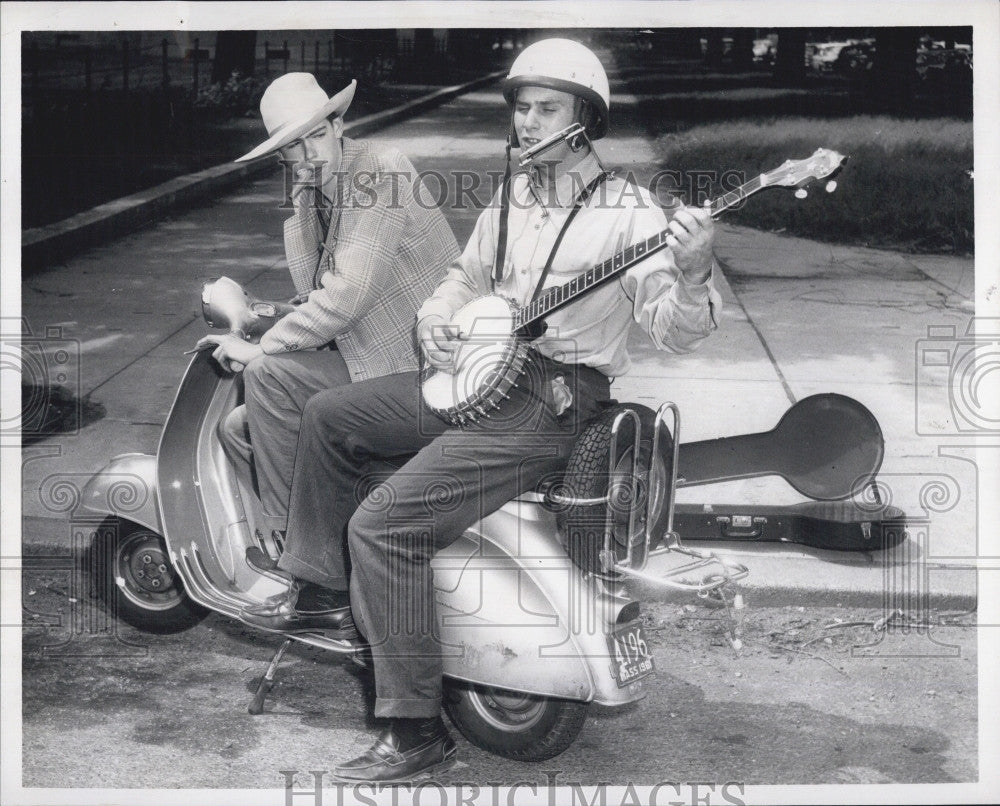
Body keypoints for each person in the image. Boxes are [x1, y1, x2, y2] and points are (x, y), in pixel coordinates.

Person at [240, 39, 722, 781]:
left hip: (553, 401)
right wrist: (436, 317)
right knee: (332, 414)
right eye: (522, 107)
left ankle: (412, 730)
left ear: (584, 119)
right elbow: (463, 278)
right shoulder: (517, 195)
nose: (528, 122)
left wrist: (691, 274)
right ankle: (325, 592)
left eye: (546, 108)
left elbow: (676, 329)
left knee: (386, 523)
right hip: (478, 370)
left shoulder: (629, 213)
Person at [196, 73, 459, 573]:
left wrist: (264, 348)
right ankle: (314, 539)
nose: (311, 153)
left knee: (267, 376)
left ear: (339, 124)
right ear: (282, 157)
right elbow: (322, 294)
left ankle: (307, 564)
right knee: (237, 429)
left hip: (421, 363)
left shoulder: (381, 171)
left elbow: (348, 295)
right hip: (366, 357)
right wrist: (259, 319)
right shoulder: (306, 200)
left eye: (318, 134)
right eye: (295, 146)